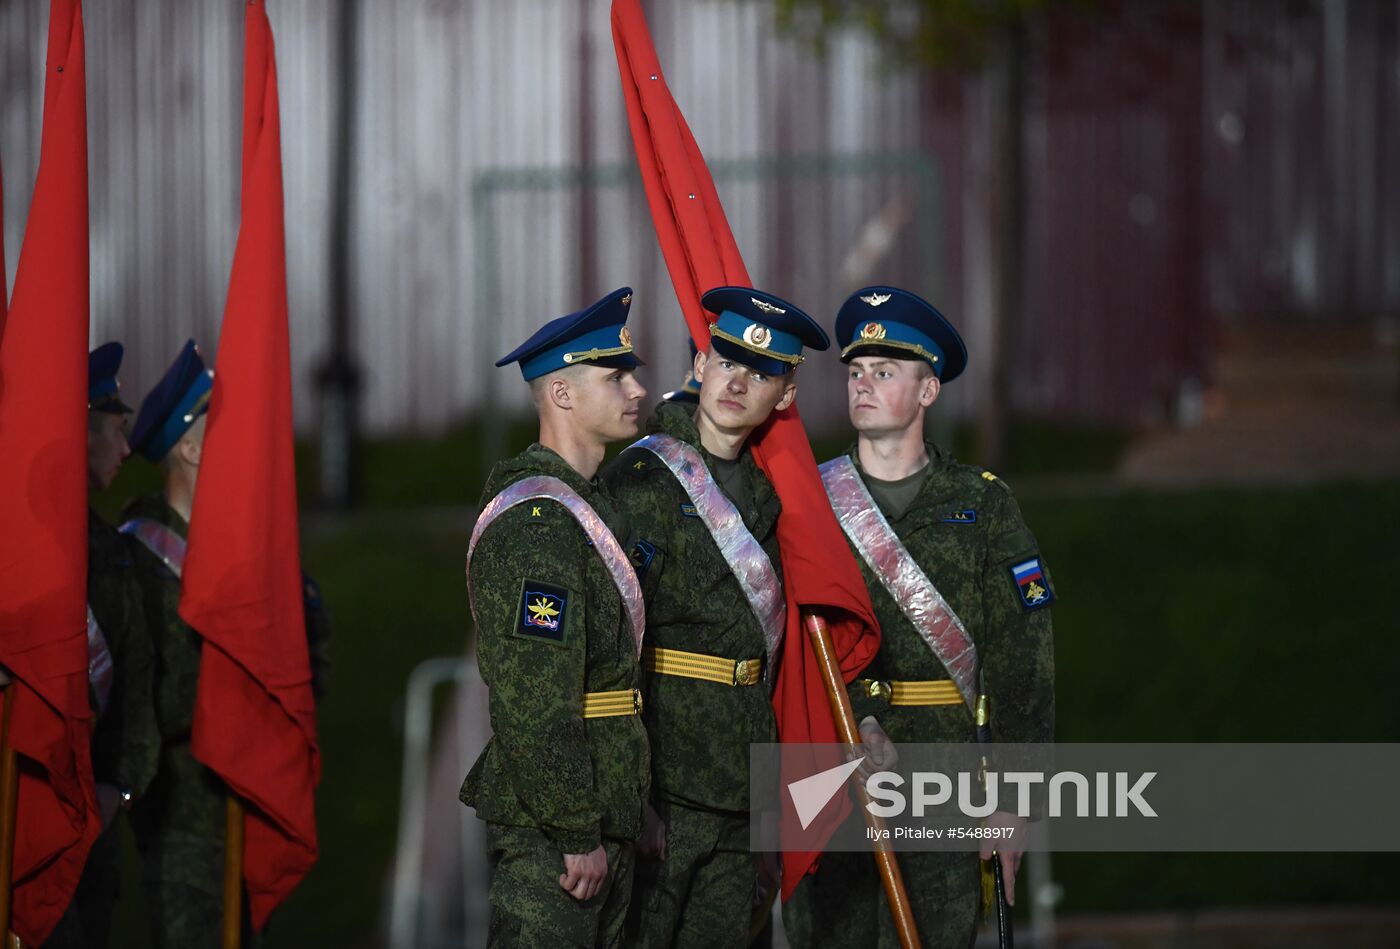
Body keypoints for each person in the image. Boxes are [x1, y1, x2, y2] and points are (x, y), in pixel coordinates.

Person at [783, 287, 1056, 949]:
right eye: (855, 371)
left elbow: (1023, 661)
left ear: (928, 391)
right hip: (832, 761)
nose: (863, 384)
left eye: (884, 372)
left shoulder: (982, 505)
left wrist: (1014, 798)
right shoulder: (805, 500)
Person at [602, 287, 829, 949]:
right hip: (664, 778)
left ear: (785, 397)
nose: (739, 380)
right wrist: (627, 787)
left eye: (762, 373)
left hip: (742, 781)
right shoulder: (641, 477)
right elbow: (613, 640)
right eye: (727, 359)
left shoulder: (772, 499)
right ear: (700, 365)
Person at [121, 340, 331, 948]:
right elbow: (142, 697)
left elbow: (312, 653)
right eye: (221, 422)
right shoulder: (141, 560)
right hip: (183, 819)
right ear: (188, 446)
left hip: (253, 802)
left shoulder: (245, 551)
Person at [459, 288, 651, 949]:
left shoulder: (592, 506)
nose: (637, 387)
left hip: (605, 816)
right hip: (557, 837)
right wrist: (576, 829)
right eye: (616, 376)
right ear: (563, 395)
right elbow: (535, 697)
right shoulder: (538, 523)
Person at [43, 342, 160, 949]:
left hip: (89, 827)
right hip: (29, 824)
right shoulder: (31, 548)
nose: (127, 448)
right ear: (77, 433)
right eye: (114, 431)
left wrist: (122, 788)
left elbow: (135, 686)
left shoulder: (106, 550)